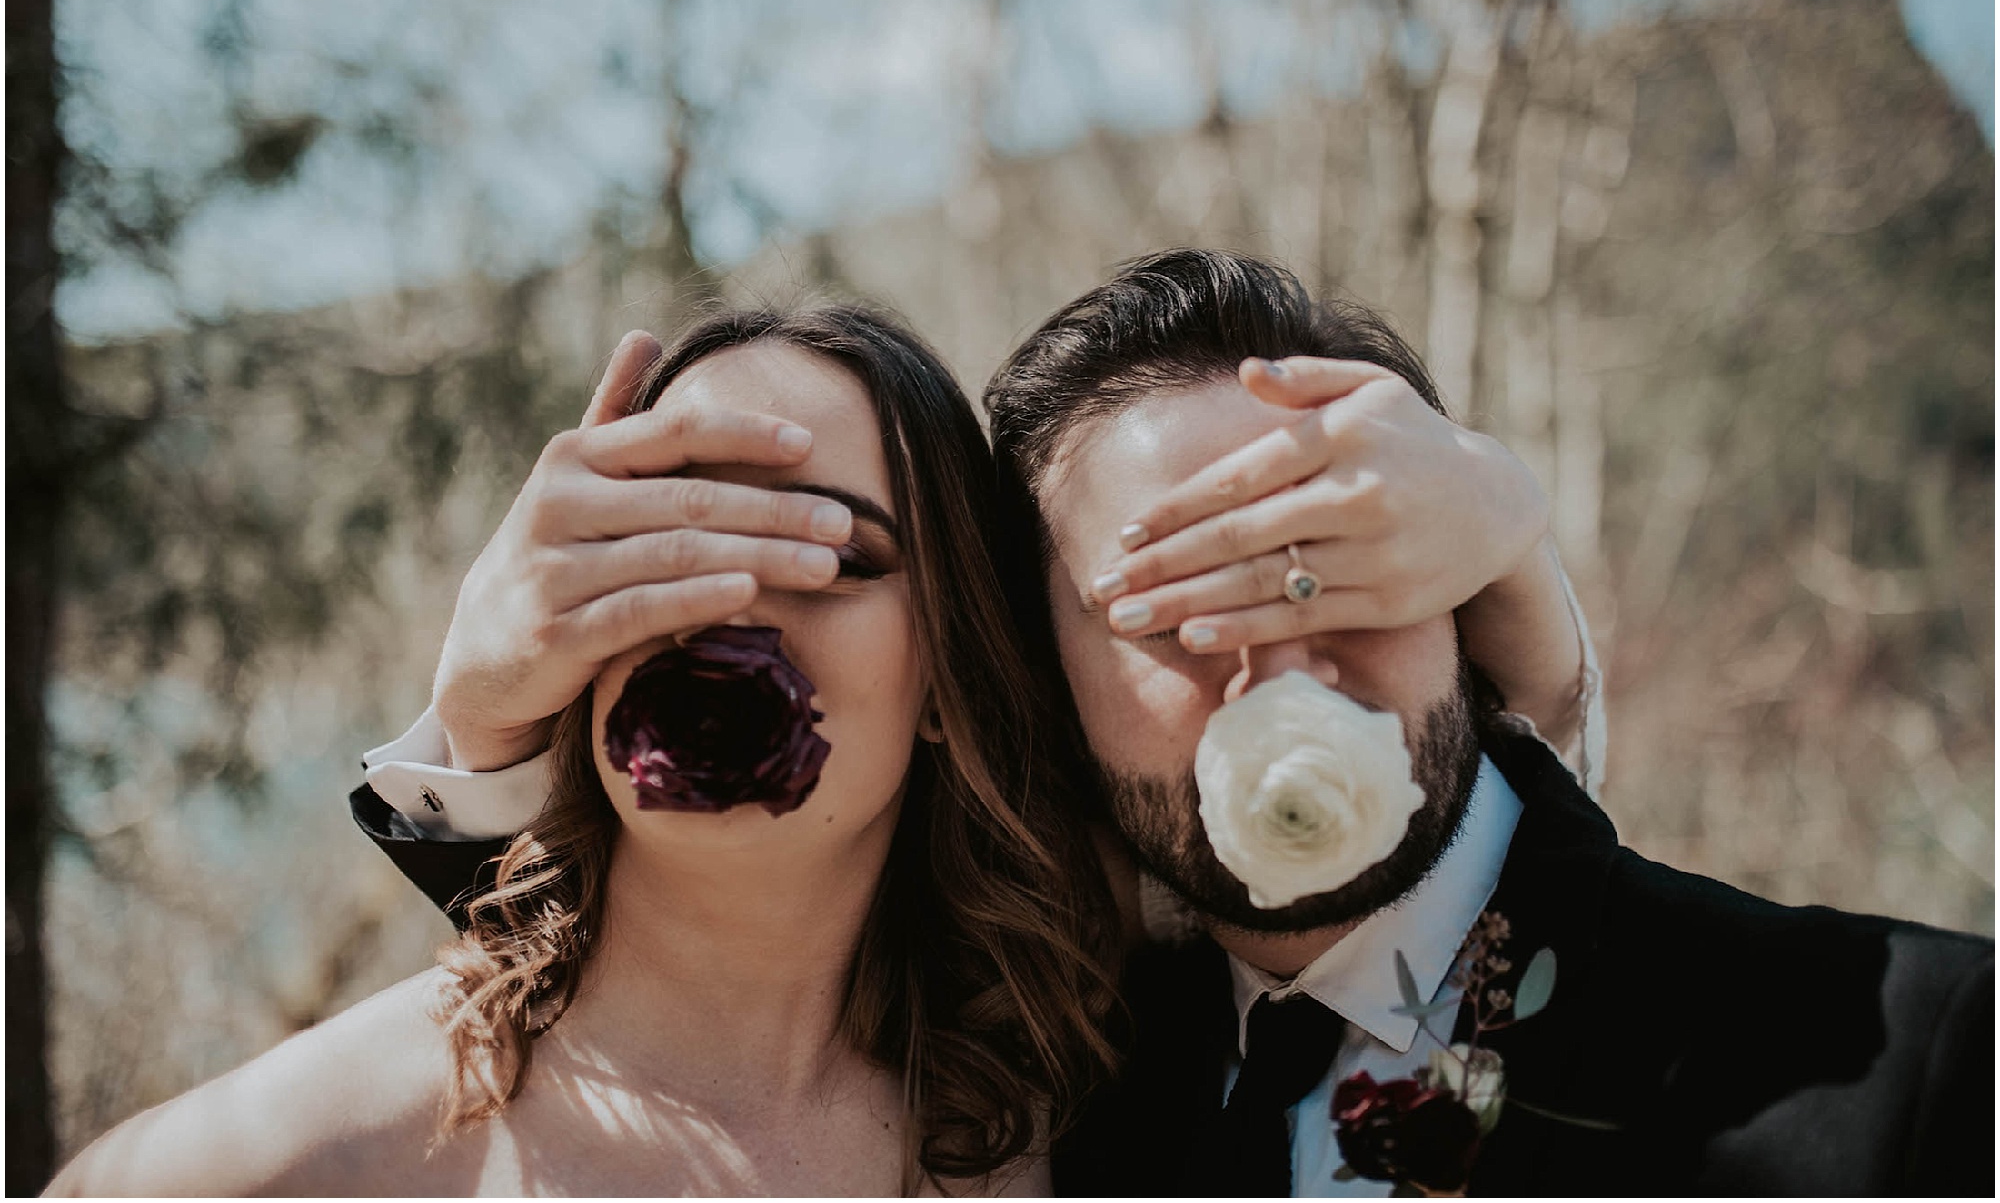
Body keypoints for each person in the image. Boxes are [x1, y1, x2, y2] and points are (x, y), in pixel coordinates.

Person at [348, 249, 1989, 1196]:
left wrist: (1518, 532)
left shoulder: (1931, 1060)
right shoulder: (1027, 1081)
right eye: (1167, 605)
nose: (1273, 661)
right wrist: (497, 694)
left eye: (1333, 560)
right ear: (1036, 684)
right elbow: (669, 979)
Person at [49, 306, 1126, 1195]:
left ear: (946, 679)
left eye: (831, 553)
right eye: (659, 533)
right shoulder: (271, 1166)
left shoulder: (1074, 1137)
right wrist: (474, 704)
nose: (727, 600)